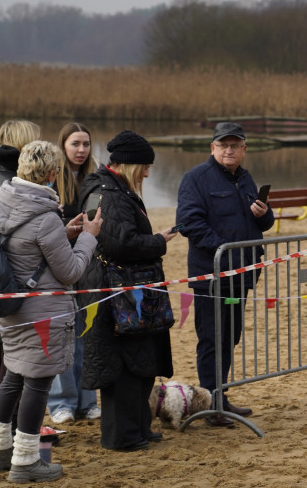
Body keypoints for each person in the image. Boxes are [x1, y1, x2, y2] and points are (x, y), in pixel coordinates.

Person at [0, 141, 100, 483]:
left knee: (13, 377)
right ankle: (25, 461)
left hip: (12, 305)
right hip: (42, 313)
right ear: (51, 174)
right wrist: (88, 238)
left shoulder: (5, 201)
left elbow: (25, 248)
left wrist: (63, 235)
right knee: (37, 383)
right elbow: (71, 272)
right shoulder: (45, 216)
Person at [77, 131, 177, 449]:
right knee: (123, 367)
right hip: (116, 295)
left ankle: (139, 428)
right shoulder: (110, 194)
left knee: (141, 361)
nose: (148, 173)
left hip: (130, 293)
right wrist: (159, 241)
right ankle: (123, 436)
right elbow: (121, 244)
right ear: (131, 165)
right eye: (145, 167)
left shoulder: (118, 190)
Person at [176, 122, 274, 427]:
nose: (229, 150)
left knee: (230, 337)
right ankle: (210, 404)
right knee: (211, 338)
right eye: (223, 145)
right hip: (212, 276)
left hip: (241, 277)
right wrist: (224, 250)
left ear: (244, 150)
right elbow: (189, 223)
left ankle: (222, 396)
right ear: (213, 148)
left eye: (235, 145)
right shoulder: (196, 179)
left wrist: (264, 214)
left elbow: (262, 223)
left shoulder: (245, 179)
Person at [0, 120, 41, 415]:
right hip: (4, 277)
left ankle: (3, 421)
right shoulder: (4, 182)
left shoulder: (0, 177)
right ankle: (5, 422)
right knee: (3, 357)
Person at [47, 123, 99, 424]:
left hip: (90, 265)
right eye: (75, 144)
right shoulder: (53, 180)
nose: (81, 150)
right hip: (60, 266)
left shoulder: (95, 178)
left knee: (86, 334)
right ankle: (61, 403)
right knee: (63, 336)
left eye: (86, 144)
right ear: (63, 146)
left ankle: (87, 400)